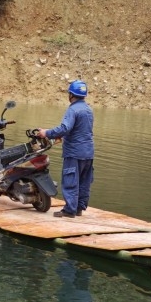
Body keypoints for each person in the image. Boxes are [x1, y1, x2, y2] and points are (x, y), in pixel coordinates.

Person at [35, 79, 94, 218]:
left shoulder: (72, 109)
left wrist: (46, 133)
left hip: (74, 153)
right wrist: (63, 137)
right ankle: (79, 208)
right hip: (88, 153)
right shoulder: (88, 109)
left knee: (71, 181)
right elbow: (81, 130)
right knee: (84, 182)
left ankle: (69, 211)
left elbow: (65, 128)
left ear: (71, 95)